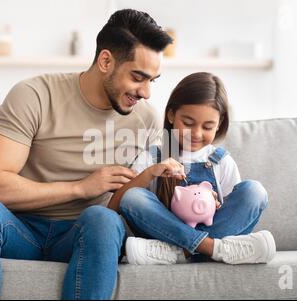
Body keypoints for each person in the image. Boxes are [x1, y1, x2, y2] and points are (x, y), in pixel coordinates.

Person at [0, 9, 173, 300]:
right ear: (105, 61)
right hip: (20, 229)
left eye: (152, 81)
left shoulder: (146, 120)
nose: (145, 92)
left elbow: (157, 194)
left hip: (85, 234)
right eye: (137, 77)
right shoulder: (35, 95)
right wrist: (80, 188)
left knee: (104, 220)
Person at [108, 72, 276, 265]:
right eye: (188, 123)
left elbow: (233, 214)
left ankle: (179, 253)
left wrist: (217, 203)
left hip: (178, 239)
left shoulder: (221, 161)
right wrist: (151, 172)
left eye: (207, 127)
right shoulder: (153, 157)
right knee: (133, 197)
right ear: (171, 115)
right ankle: (214, 249)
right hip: (162, 233)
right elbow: (115, 206)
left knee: (254, 192)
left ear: (219, 123)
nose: (196, 133)